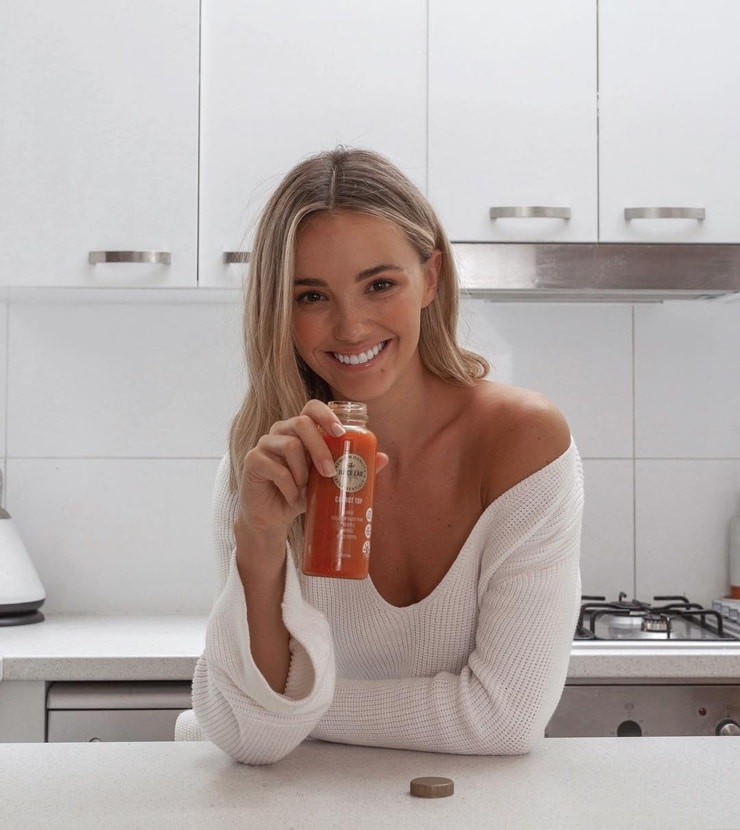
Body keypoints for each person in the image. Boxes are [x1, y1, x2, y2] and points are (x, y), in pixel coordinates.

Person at [191, 147, 583, 765]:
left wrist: (285, 709)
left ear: (430, 277)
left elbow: (506, 720)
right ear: (279, 309)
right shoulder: (264, 469)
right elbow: (254, 741)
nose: (350, 328)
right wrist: (260, 541)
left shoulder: (523, 443)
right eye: (311, 297)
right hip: (303, 807)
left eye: (379, 285)